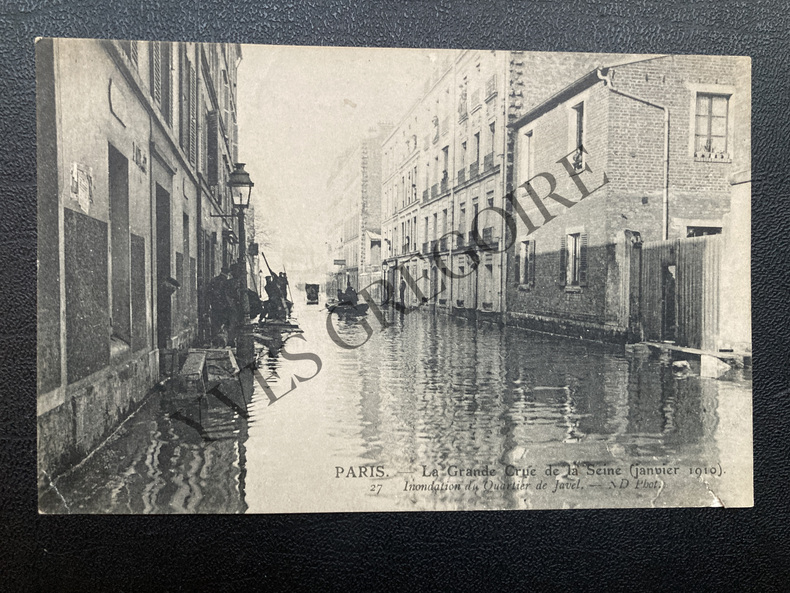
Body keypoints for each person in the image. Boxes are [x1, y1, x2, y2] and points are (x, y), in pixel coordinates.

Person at [207, 267, 231, 346]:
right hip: (224, 307)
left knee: (215, 324)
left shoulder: (213, 280)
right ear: (228, 273)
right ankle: (222, 343)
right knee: (224, 325)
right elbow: (227, 296)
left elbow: (209, 293)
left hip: (214, 306)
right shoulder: (226, 282)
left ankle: (215, 342)